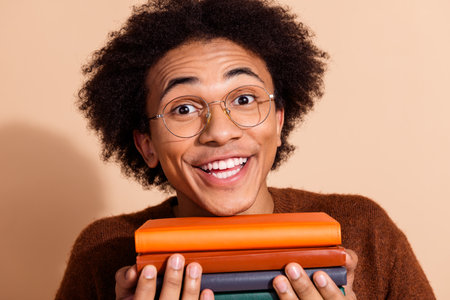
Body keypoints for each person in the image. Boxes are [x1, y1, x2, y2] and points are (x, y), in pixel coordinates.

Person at [55, 0, 435, 299]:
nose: (220, 132)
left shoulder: (364, 230)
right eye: (183, 108)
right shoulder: (103, 253)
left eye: (244, 99)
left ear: (279, 122)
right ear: (146, 145)